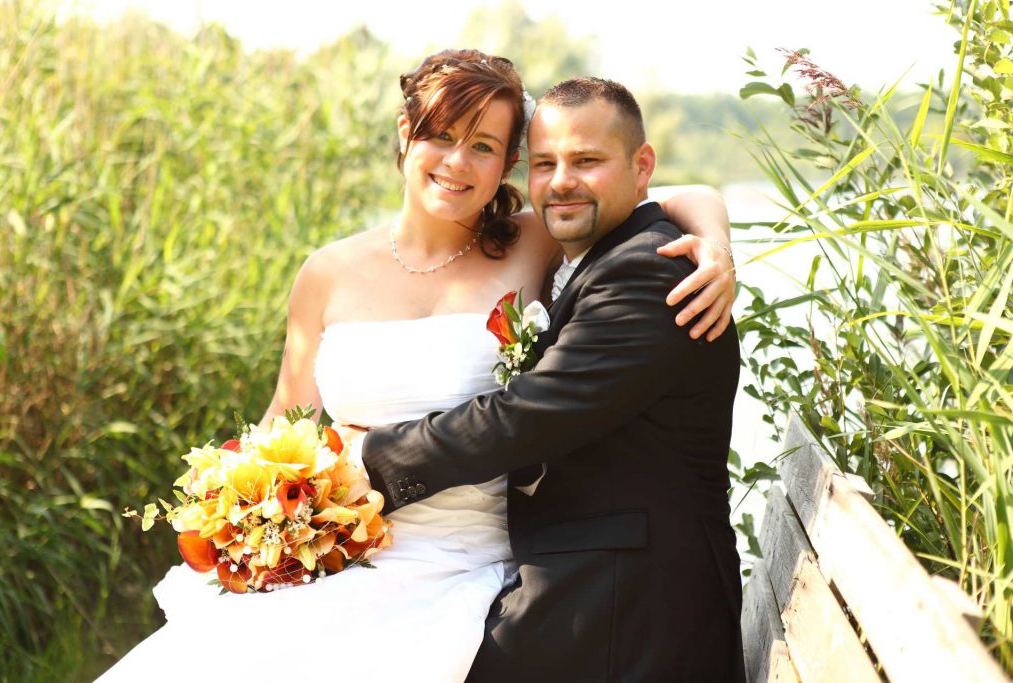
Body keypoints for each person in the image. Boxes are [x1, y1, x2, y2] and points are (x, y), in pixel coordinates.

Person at [96, 51, 735, 682]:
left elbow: (644, 198)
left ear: (505, 163)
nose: (458, 162)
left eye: (484, 146)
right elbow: (285, 419)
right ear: (408, 135)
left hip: (473, 566)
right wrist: (248, 509)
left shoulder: (533, 240)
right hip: (349, 551)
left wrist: (716, 240)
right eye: (442, 135)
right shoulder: (327, 271)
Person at [355, 77, 745, 681]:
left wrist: (364, 459)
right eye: (544, 164)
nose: (561, 181)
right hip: (592, 583)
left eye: (586, 161)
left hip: (626, 604)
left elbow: (527, 415)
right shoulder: (607, 253)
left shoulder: (650, 271)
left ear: (642, 166)